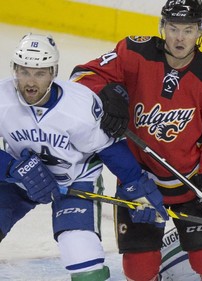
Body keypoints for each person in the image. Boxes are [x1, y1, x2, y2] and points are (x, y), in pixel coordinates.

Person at [70, 0, 202, 280]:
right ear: (162, 27)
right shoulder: (134, 52)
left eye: (188, 29)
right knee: (139, 271)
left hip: (189, 183)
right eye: (173, 28)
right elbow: (82, 76)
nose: (179, 37)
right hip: (139, 182)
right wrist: (108, 93)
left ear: (200, 32)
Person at [0, 33, 168, 281]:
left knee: (84, 266)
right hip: (18, 178)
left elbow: (108, 149)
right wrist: (11, 168)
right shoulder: (2, 99)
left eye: (40, 73)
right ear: (14, 69)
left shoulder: (78, 106)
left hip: (74, 182)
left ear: (54, 72)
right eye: (24, 72)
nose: (31, 82)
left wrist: (136, 185)